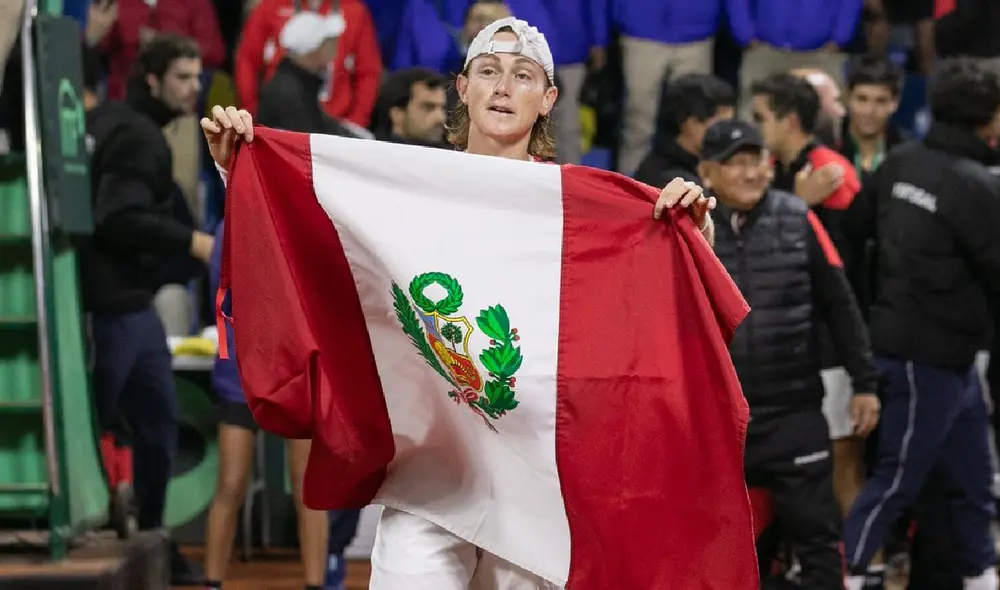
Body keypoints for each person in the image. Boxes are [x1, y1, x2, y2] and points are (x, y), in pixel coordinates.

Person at [200, 16, 716, 588]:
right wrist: (239, 166)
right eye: (488, 71)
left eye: (523, 75)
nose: (503, 87)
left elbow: (647, 308)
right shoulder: (403, 185)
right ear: (463, 88)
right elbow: (305, 235)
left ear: (548, 99)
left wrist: (686, 235)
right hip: (432, 482)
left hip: (537, 492)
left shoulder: (581, 208)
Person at [840, 57, 1000, 590]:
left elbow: (853, 232)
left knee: (974, 482)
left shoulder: (902, 162)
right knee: (896, 482)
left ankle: (980, 577)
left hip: (948, 361)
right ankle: (847, 573)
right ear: (990, 116)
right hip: (922, 360)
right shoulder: (978, 188)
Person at [698, 119, 879, 590]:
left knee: (819, 542)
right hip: (723, 421)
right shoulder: (691, 230)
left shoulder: (798, 217)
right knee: (723, 548)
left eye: (757, 160)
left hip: (794, 415)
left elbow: (841, 305)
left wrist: (865, 384)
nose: (750, 172)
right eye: (735, 163)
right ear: (707, 172)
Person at [80, 34, 210, 585]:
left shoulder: (113, 122)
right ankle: (130, 535)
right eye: (182, 76)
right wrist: (192, 242)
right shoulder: (137, 135)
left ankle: (155, 542)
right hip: (110, 310)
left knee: (155, 426)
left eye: (197, 76)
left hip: (127, 309)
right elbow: (116, 215)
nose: (194, 87)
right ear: (152, 79)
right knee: (105, 428)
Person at [257, 11, 372, 139]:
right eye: (328, 42)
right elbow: (309, 141)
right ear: (313, 51)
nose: (334, 50)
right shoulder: (289, 93)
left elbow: (322, 125)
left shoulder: (300, 83)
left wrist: (354, 136)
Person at [632, 73, 735, 187]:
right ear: (691, 124)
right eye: (722, 125)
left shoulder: (705, 164)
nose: (729, 134)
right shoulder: (673, 182)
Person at [370, 67, 449, 146]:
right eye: (428, 107)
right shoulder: (370, 150)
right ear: (396, 114)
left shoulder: (450, 152)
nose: (440, 118)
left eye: (443, 109)